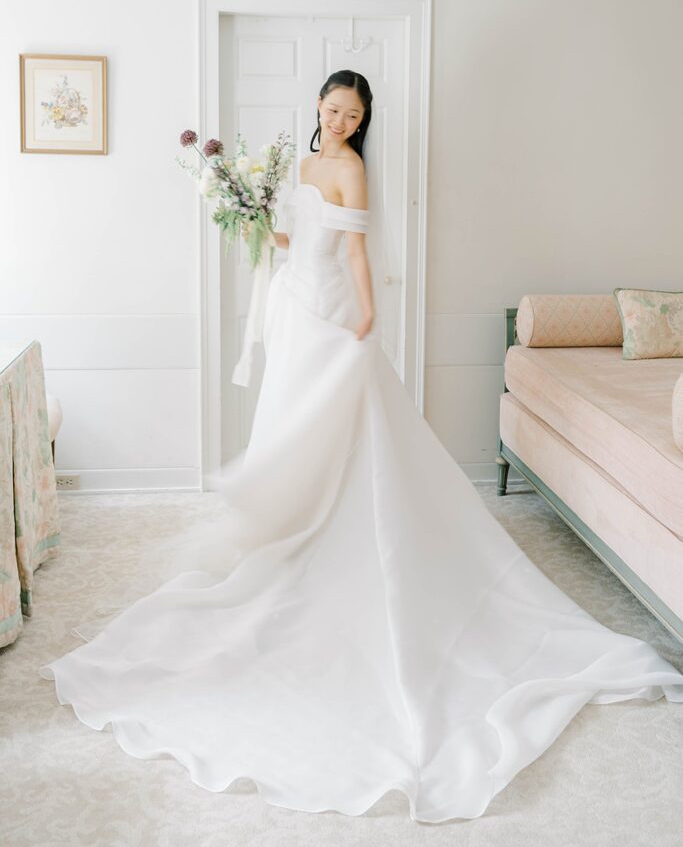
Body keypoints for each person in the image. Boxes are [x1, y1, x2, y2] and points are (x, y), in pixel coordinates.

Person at [40, 69, 683, 824]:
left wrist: (369, 317)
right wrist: (251, 219)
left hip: (333, 317)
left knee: (349, 434)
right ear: (317, 106)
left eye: (353, 113)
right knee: (293, 428)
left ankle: (343, 531)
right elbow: (291, 238)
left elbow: (350, 255)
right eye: (333, 108)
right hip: (292, 311)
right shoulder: (301, 162)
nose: (341, 120)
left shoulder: (349, 168)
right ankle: (293, 528)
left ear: (363, 119)